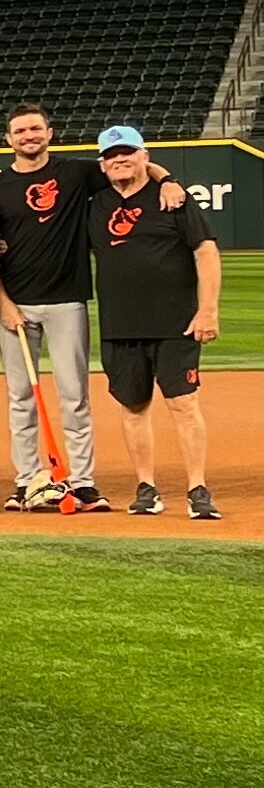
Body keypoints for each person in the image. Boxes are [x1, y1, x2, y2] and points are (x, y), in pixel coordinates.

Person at [0, 104, 174, 513]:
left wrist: (168, 180)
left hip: (67, 301)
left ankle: (83, 482)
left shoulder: (76, 173)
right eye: (20, 131)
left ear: (50, 132)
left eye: (36, 128)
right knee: (20, 397)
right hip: (16, 307)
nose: (28, 136)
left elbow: (134, 165)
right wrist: (2, 302)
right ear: (8, 139)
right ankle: (28, 482)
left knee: (74, 395)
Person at [86, 127, 221, 519]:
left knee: (183, 403)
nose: (120, 160)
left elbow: (206, 252)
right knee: (133, 405)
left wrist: (208, 309)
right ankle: (146, 487)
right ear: (102, 163)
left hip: (176, 323)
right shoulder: (96, 204)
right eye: (112, 155)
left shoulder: (174, 201)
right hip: (120, 325)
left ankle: (197, 488)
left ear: (145, 156)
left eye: (128, 152)